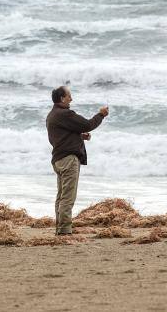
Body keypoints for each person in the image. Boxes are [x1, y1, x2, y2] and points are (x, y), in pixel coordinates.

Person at [46, 86, 108, 235]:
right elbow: (87, 124)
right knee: (67, 197)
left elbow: (59, 137)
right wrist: (101, 115)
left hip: (58, 159)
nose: (71, 99)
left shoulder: (52, 115)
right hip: (68, 159)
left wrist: (79, 136)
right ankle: (65, 231)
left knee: (61, 196)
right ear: (62, 98)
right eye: (69, 96)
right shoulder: (65, 114)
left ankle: (60, 229)